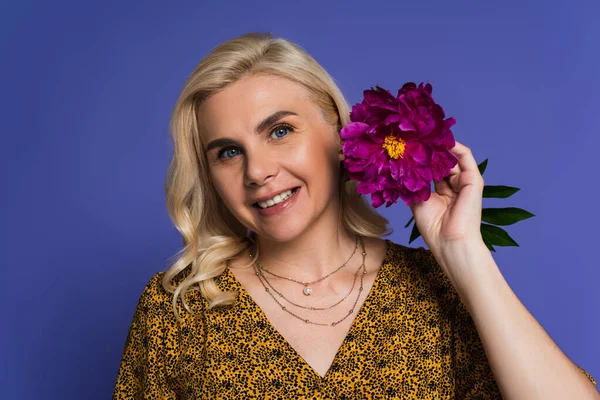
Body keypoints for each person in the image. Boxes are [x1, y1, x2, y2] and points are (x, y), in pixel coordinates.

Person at [112, 32, 597, 399]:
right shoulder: (179, 311)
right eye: (227, 152)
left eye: (279, 131)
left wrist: (465, 257)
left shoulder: (437, 289)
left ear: (340, 132)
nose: (257, 171)